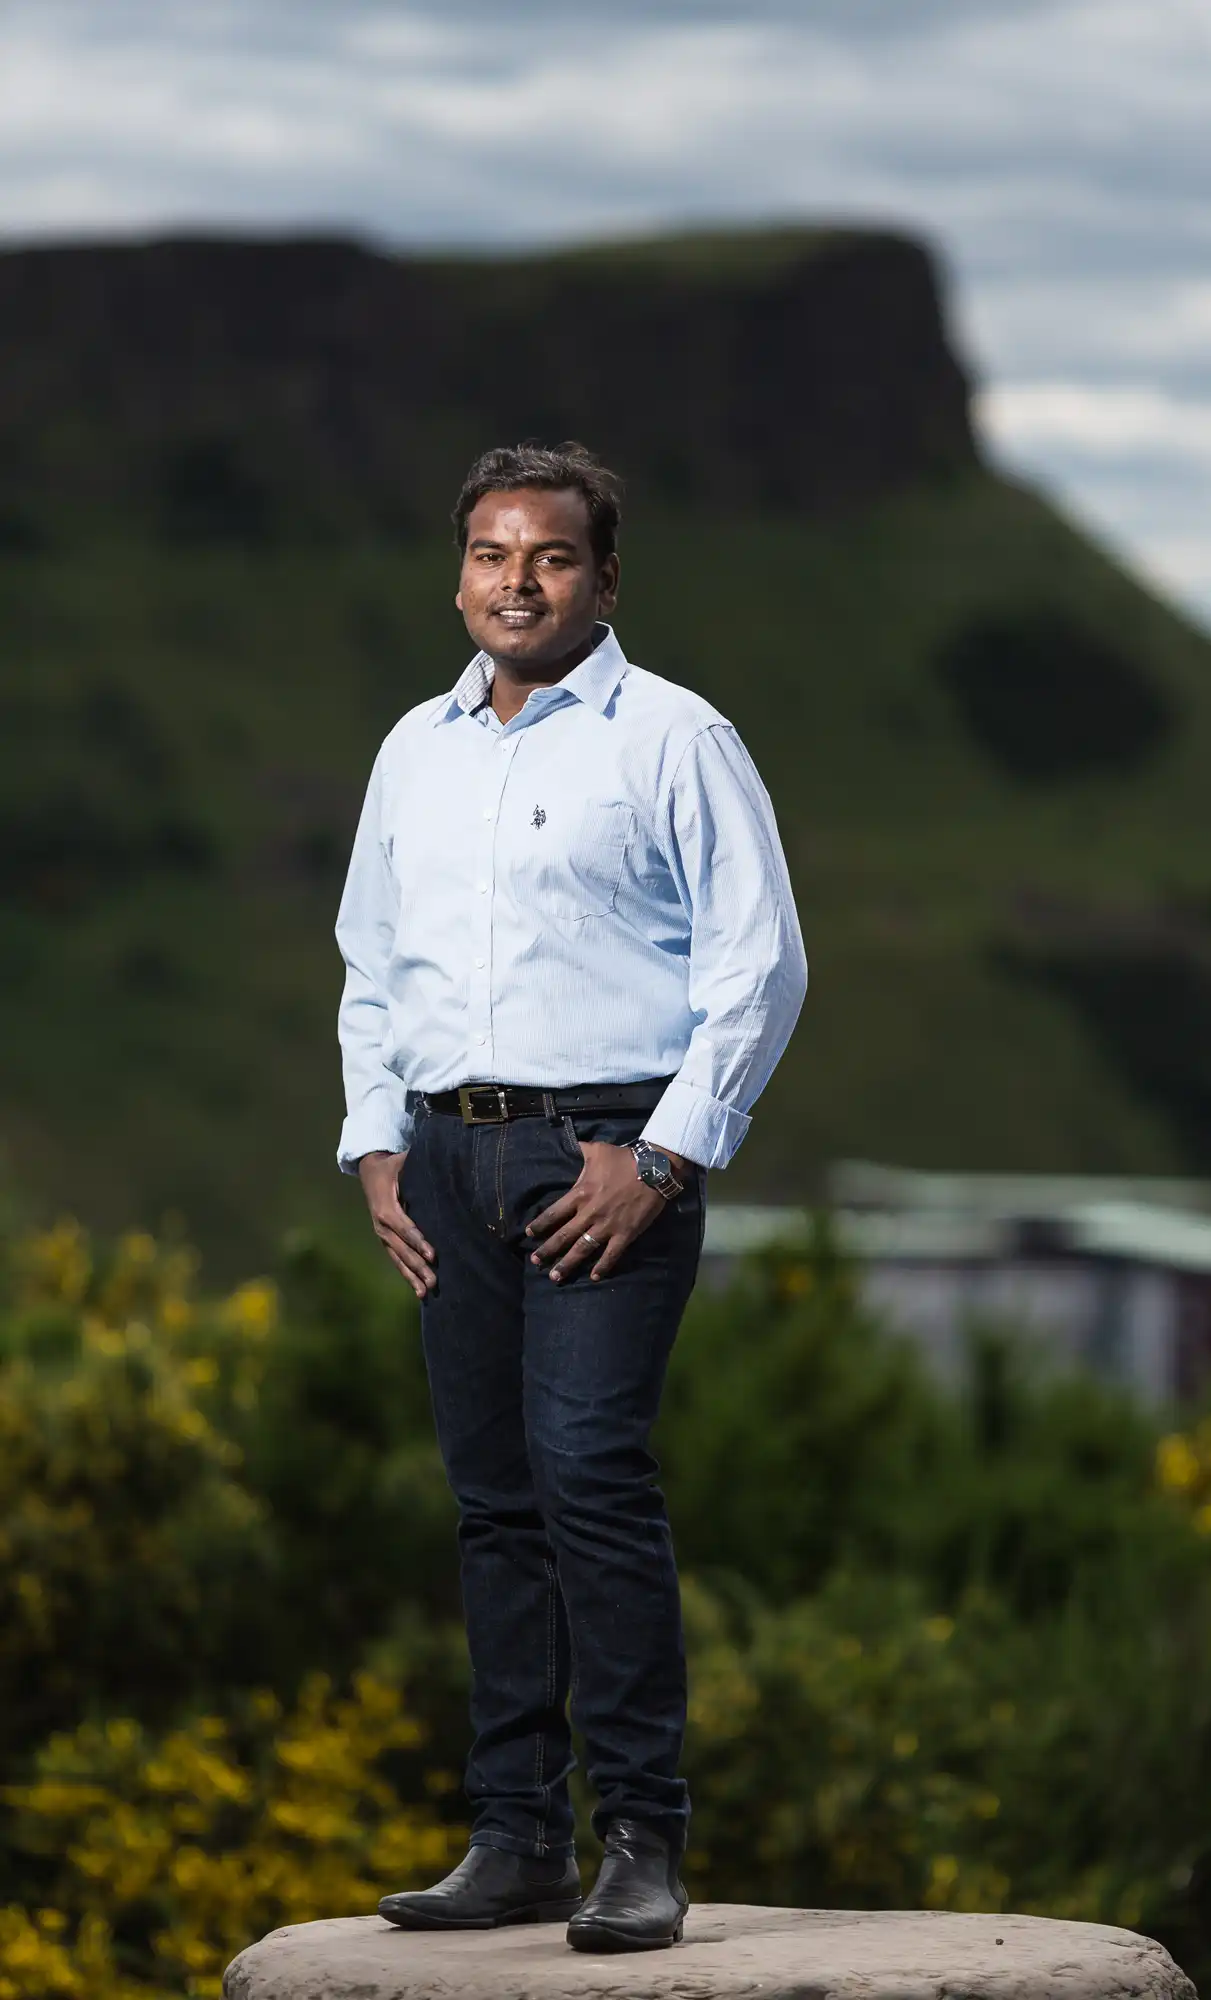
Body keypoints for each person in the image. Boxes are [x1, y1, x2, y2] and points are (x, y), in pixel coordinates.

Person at [335, 441, 805, 1952]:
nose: (515, 582)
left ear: (605, 577)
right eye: (490, 553)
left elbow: (761, 967)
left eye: (548, 556)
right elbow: (369, 963)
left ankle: (641, 1846)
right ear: (459, 569)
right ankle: (517, 1836)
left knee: (591, 1480)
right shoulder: (417, 746)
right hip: (443, 1157)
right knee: (492, 1505)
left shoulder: (676, 737)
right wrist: (375, 1142)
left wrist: (666, 1157)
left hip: (603, 1156)